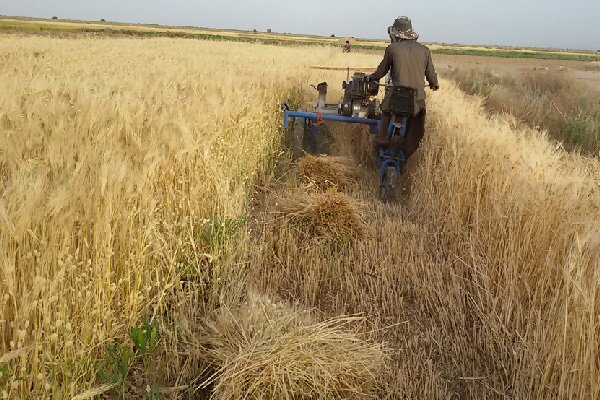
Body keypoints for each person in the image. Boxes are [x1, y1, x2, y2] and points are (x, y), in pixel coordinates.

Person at [367, 16, 439, 161]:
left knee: (386, 114)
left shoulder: (392, 49)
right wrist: (434, 84)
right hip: (416, 100)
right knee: (417, 123)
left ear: (395, 34)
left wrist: (372, 78)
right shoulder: (425, 50)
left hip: (396, 97)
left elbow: (381, 71)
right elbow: (431, 75)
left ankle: (381, 142)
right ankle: (406, 151)